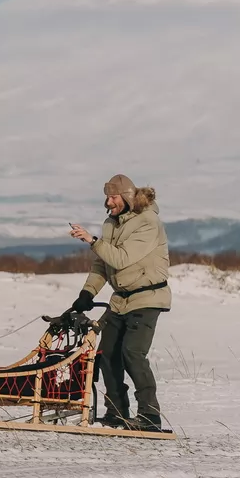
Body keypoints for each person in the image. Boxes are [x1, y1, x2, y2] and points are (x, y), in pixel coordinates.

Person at [63, 174, 171, 432]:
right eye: (107, 197)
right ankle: (117, 412)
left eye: (113, 197)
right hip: (120, 299)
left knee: (132, 353)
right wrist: (87, 293)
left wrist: (91, 241)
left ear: (127, 196)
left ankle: (149, 415)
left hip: (147, 297)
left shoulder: (148, 222)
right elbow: (103, 262)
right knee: (107, 354)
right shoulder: (110, 223)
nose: (108, 202)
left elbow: (122, 259)